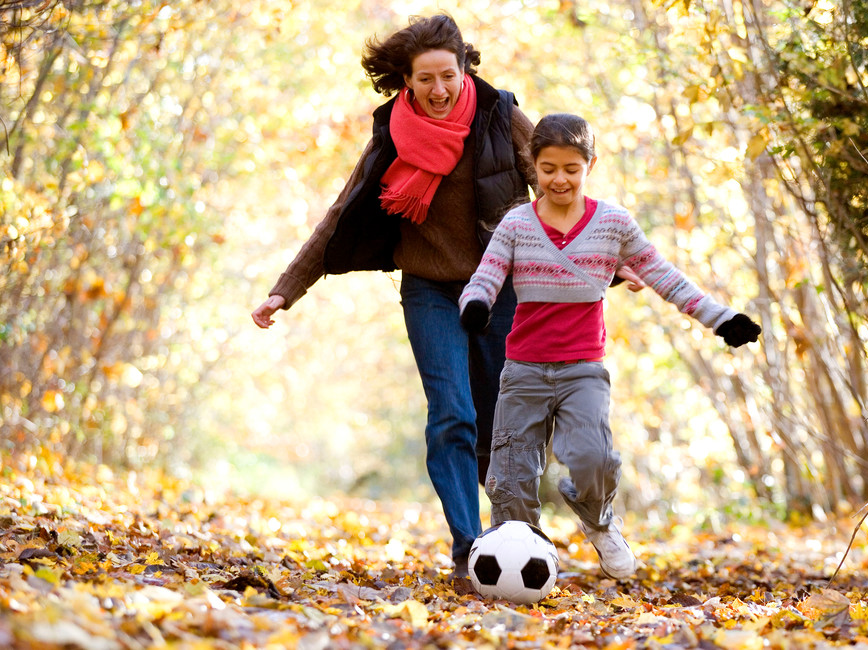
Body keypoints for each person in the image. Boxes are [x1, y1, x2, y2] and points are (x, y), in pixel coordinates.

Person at [250, 14, 537, 582]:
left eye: (447, 77)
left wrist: (608, 258)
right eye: (424, 79)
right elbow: (342, 210)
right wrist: (285, 290)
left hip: (501, 287)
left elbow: (557, 187)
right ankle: (468, 545)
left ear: (465, 70)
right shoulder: (393, 132)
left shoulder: (502, 117)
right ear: (406, 81)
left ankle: (516, 534)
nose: (438, 90)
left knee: (501, 422)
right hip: (429, 289)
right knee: (452, 412)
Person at [457, 113, 762, 579]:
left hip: (582, 369)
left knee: (594, 458)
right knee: (511, 473)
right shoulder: (517, 224)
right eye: (549, 168)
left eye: (571, 169)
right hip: (523, 369)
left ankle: (598, 521)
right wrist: (476, 304)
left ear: (590, 165)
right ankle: (517, 561)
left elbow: (663, 276)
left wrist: (721, 320)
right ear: (532, 166)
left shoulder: (613, 224)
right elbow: (487, 275)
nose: (559, 179)